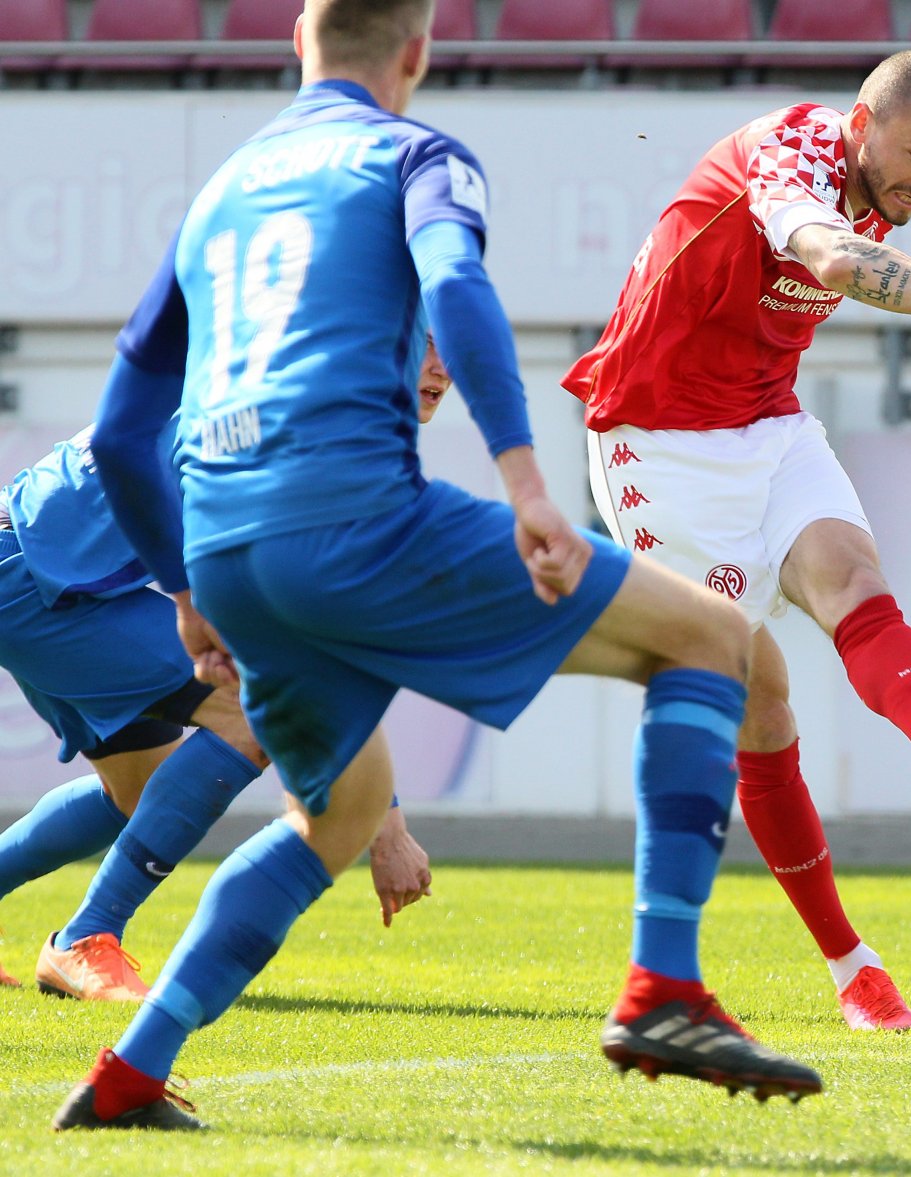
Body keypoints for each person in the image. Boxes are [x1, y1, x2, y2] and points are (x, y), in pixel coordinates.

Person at [54, 1, 815, 1132]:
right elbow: (456, 289)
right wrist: (526, 483)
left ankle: (127, 1075)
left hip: (227, 540)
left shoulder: (219, 193)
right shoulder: (418, 153)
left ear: (295, 47)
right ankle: (664, 986)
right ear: (416, 52)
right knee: (717, 640)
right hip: (351, 510)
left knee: (341, 812)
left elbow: (123, 433)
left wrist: (185, 587)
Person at [564, 49, 911, 1029]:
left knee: (851, 573)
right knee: (756, 697)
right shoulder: (790, 154)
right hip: (657, 443)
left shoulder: (879, 184)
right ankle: (849, 964)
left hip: (768, 424)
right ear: (861, 124)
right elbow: (835, 262)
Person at [0, 353, 448, 999]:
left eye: (451, 349)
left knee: (139, 792)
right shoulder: (312, 425)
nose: (441, 366)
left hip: (41, 569)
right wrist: (388, 824)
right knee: (248, 710)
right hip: (38, 582)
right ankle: (86, 936)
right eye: (426, 340)